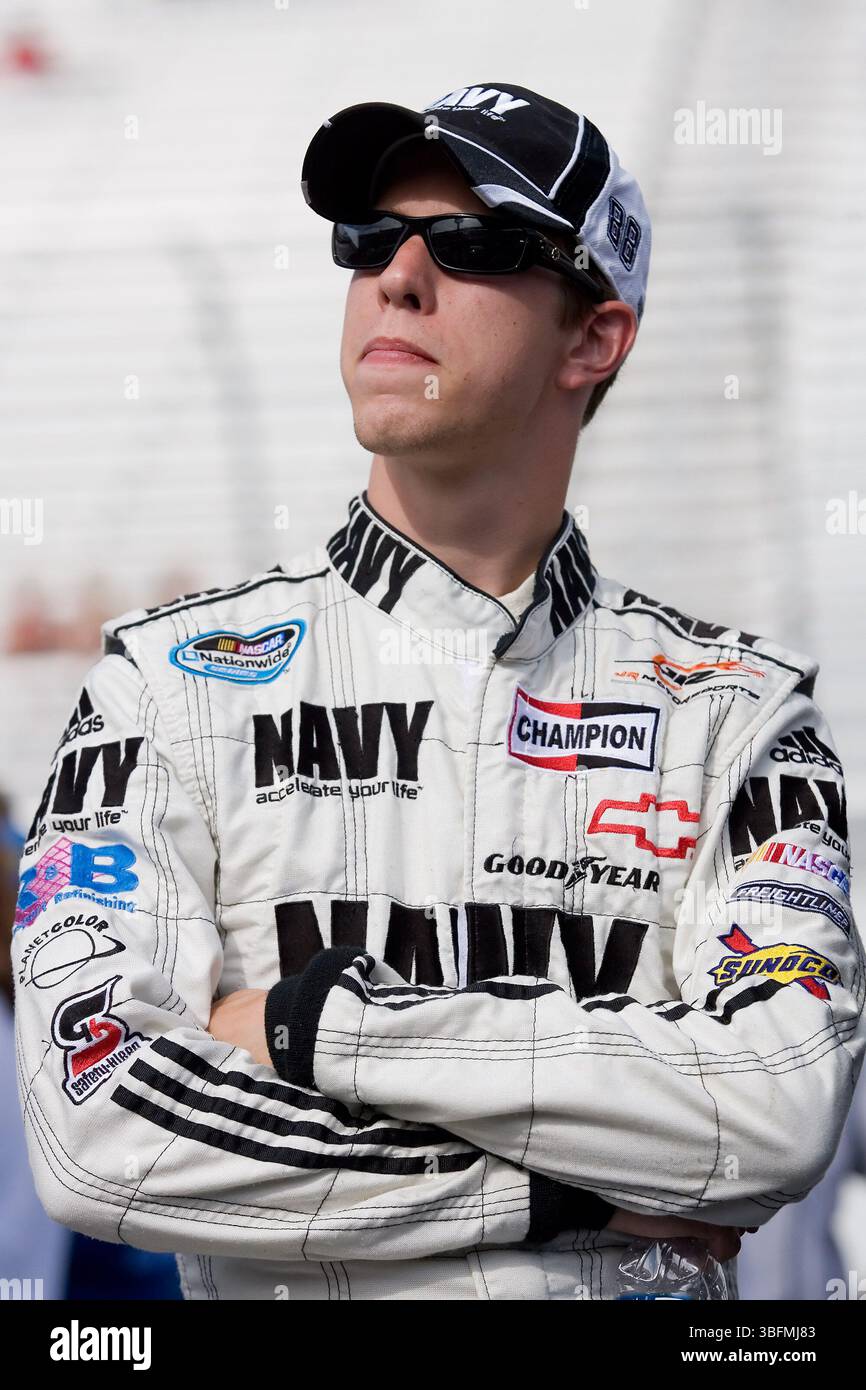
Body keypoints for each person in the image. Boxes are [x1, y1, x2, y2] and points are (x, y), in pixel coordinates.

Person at [12, 82, 864, 1301]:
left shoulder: (735, 715)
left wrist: (314, 1028)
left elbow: (777, 1113)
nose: (396, 276)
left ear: (593, 339)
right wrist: (554, 1190)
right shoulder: (165, 685)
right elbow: (100, 1138)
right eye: (367, 242)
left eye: (472, 244)